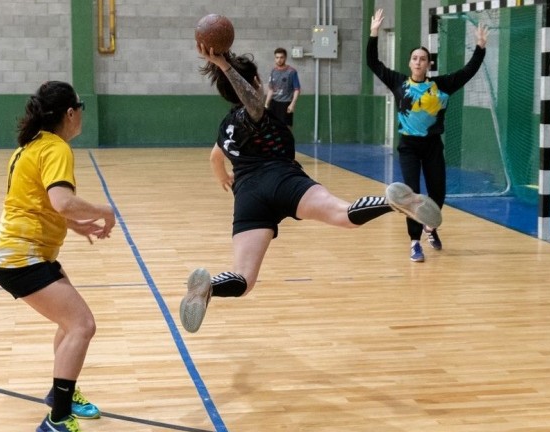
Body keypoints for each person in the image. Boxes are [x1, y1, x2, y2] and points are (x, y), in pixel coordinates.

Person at [179, 42, 443, 334]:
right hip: (283, 180)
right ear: (254, 82)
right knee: (343, 215)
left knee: (244, 279)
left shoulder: (226, 125)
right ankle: (392, 202)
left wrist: (223, 177)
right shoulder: (253, 114)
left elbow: (215, 156)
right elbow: (253, 104)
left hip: (248, 196)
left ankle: (209, 288)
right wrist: (225, 65)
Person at [0, 81, 116, 432]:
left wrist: (75, 225)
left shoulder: (31, 146)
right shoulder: (56, 147)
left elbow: (37, 203)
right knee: (82, 325)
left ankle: (62, 391)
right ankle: (57, 420)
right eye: (80, 109)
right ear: (70, 114)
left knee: (70, 323)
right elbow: (62, 200)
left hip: (22, 253)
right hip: (20, 259)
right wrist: (103, 211)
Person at [367, 8, 488, 262]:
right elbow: (373, 63)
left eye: (423, 58)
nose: (418, 62)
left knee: (438, 192)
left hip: (433, 145)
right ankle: (414, 243)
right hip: (409, 146)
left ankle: (430, 228)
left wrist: (480, 47)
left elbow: (468, 71)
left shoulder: (441, 85)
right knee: (410, 195)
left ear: (429, 64)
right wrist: (374, 32)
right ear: (410, 63)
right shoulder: (399, 82)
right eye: (415, 58)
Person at [264, 47, 301, 128]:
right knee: (272, 127)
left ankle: (288, 141)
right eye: (277, 57)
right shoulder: (273, 71)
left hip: (286, 103)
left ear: (285, 58)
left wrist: (292, 104)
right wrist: (266, 104)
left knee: (286, 128)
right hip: (274, 103)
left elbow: (297, 90)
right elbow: (271, 89)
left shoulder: (292, 72)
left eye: (281, 57)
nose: (279, 60)